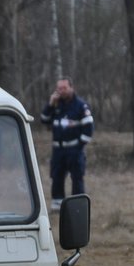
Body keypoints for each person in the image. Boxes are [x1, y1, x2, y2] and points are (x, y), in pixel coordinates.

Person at [39, 76, 92, 206]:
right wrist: (50, 104)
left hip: (74, 150)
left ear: (71, 88)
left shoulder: (80, 106)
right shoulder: (55, 105)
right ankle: (58, 206)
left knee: (77, 179)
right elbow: (44, 120)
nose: (61, 91)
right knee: (56, 177)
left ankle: (77, 207)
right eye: (59, 88)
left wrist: (79, 146)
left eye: (64, 88)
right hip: (58, 150)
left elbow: (88, 128)